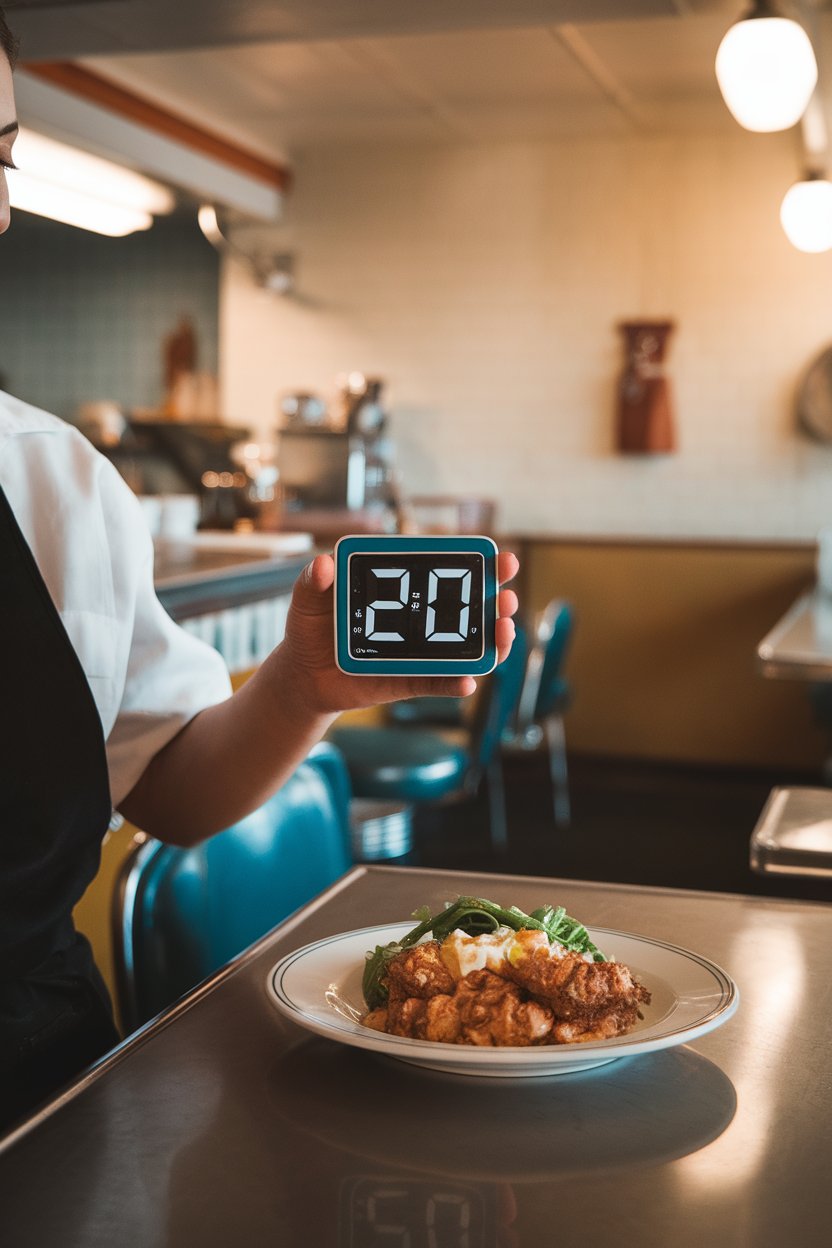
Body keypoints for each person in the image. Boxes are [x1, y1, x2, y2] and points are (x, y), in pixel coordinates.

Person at [0, 9, 519, 1132]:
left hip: (36, 1101)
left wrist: (298, 689)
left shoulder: (53, 484)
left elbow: (170, 789)